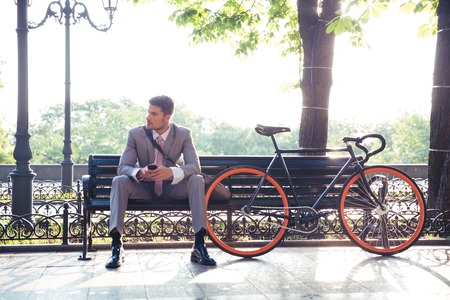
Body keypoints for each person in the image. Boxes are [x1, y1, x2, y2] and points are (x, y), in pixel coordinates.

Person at [105, 95, 216, 268]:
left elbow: (195, 166)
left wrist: (170, 172)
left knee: (196, 180)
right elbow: (123, 167)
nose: (148, 117)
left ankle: (199, 244)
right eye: (148, 112)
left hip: (173, 188)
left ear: (167, 117)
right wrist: (140, 172)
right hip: (144, 187)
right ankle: (116, 246)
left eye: (154, 114)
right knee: (119, 181)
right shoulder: (135, 134)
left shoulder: (183, 134)